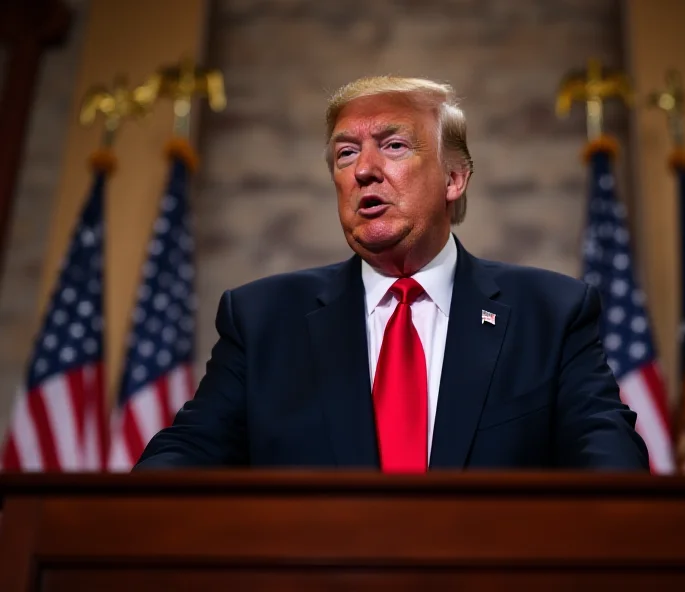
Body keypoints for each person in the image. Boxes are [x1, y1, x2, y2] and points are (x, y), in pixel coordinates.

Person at [135, 76, 649, 471]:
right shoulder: (263, 319)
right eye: (345, 153)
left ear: (454, 177)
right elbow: (188, 452)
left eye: (394, 145)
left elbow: (607, 457)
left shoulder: (551, 314)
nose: (363, 169)